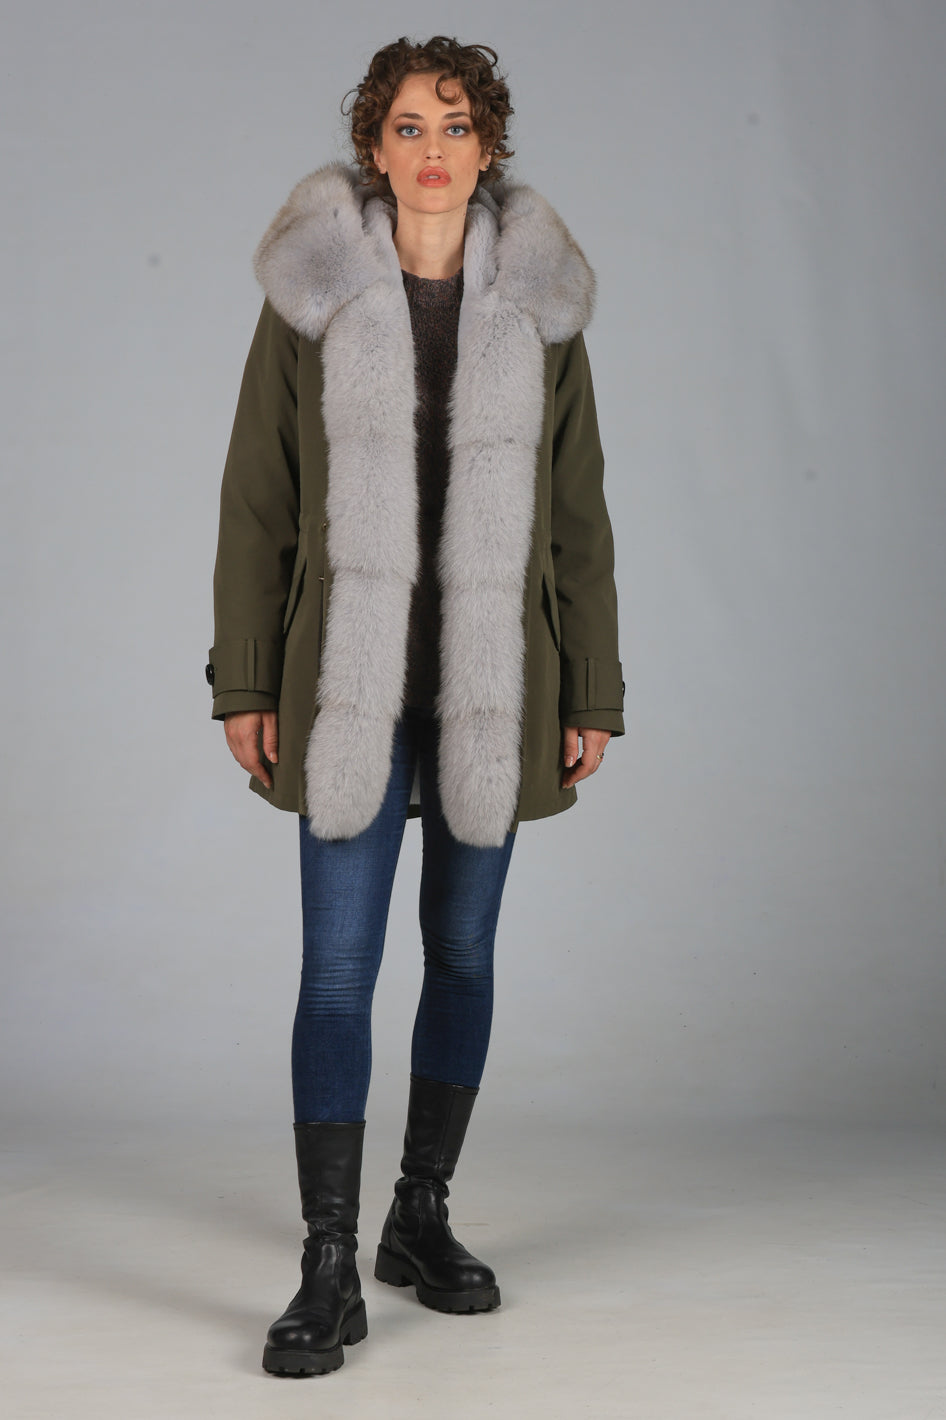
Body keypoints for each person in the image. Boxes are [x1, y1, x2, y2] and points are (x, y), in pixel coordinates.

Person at [207, 34, 624, 1378]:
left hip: (492, 687)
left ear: (487, 146)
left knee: (464, 957)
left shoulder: (539, 310)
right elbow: (256, 502)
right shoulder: (314, 297)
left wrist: (592, 688)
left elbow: (578, 518)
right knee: (337, 967)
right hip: (345, 684)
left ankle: (418, 1215)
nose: (431, 150)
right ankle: (327, 1263)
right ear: (372, 148)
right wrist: (245, 680)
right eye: (406, 126)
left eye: (454, 125)